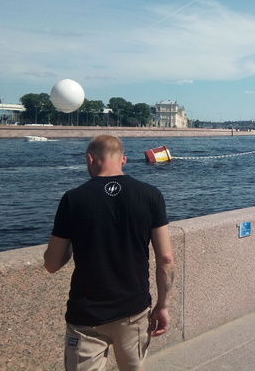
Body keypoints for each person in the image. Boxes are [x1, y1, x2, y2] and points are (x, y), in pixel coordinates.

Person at [44, 135, 174, 371]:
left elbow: (52, 264)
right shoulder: (151, 195)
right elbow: (166, 259)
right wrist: (162, 306)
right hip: (134, 311)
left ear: (90, 159)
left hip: (86, 316)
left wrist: (74, 240)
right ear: (123, 160)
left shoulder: (73, 199)